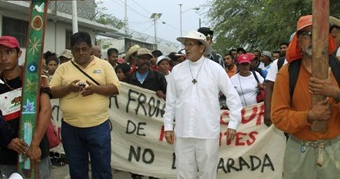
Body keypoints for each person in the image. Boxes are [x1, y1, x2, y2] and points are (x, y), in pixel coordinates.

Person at [163, 30, 242, 179]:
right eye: (186, 45)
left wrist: (233, 123)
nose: (187, 48)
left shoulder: (215, 69)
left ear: (202, 47)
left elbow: (233, 97)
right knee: (184, 173)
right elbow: (170, 101)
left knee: (208, 173)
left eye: (191, 45)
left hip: (207, 132)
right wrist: (168, 126)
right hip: (183, 131)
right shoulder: (177, 71)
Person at [271, 15, 340, 178]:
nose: (312, 39)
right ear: (298, 42)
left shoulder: (338, 69)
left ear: (326, 39)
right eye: (306, 35)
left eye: (317, 33)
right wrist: (308, 116)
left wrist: (336, 94)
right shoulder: (287, 74)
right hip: (299, 151)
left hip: (336, 149)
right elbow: (278, 117)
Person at [50, 32, 120, 179]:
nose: (80, 52)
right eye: (76, 49)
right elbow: (52, 91)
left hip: (98, 126)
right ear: (71, 50)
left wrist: (95, 89)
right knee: (77, 170)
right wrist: (69, 88)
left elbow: (115, 88)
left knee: (102, 170)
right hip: (71, 128)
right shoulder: (63, 68)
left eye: (84, 49)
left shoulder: (104, 65)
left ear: (90, 48)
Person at [0, 36, 52, 178]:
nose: (3, 58)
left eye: (8, 52)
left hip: (36, 153)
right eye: (0, 53)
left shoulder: (33, 78)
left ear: (19, 54)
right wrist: (8, 140)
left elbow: (46, 110)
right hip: (6, 156)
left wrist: (34, 145)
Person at [127, 47, 167, 179]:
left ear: (151, 61)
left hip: (152, 125)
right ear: (135, 61)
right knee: (136, 151)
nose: (144, 61)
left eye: (147, 58)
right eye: (142, 58)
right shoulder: (129, 79)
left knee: (152, 151)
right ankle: (136, 173)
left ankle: (153, 175)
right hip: (135, 124)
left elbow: (170, 98)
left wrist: (163, 95)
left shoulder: (158, 77)